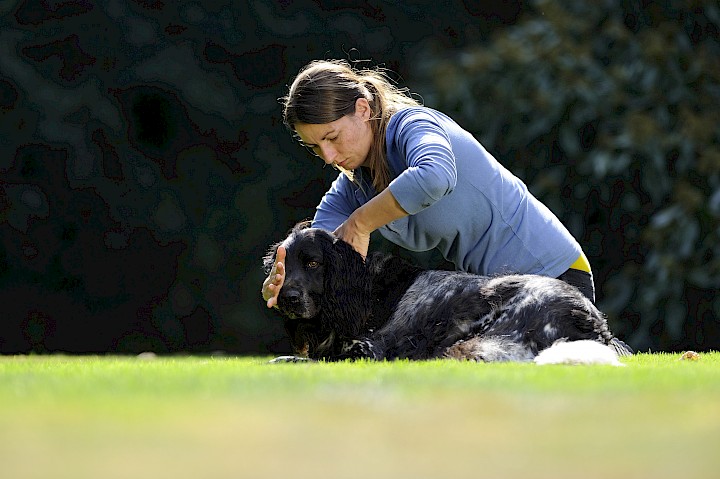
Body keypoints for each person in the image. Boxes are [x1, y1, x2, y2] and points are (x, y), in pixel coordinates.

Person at [262, 59, 596, 310]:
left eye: (332, 138)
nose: (328, 156)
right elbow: (319, 247)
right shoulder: (353, 184)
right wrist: (287, 279)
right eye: (315, 147)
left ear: (362, 109)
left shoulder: (413, 124)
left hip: (556, 277)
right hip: (498, 293)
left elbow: (435, 175)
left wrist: (361, 223)